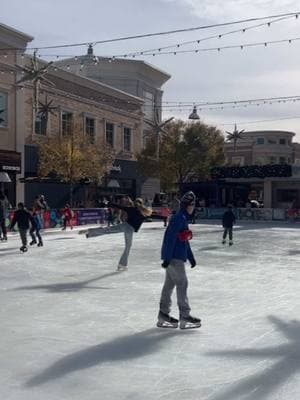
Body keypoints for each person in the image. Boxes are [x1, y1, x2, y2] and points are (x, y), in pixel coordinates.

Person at [157, 191, 201, 330]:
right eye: (192, 204)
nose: (194, 207)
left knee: (169, 286)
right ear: (187, 205)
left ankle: (163, 314)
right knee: (182, 284)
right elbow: (170, 239)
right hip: (174, 258)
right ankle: (185, 315)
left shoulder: (182, 218)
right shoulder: (179, 218)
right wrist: (168, 258)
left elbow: (183, 240)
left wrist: (191, 257)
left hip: (174, 257)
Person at [83, 198, 152, 271]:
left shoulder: (131, 209)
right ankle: (122, 264)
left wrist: (108, 202)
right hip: (129, 229)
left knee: (107, 230)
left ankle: (90, 232)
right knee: (128, 246)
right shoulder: (143, 214)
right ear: (142, 204)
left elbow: (119, 206)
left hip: (124, 225)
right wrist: (164, 217)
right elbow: (153, 216)